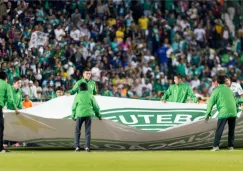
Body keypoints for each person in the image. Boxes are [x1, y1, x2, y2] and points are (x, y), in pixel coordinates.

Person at [205, 75, 239, 151]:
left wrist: (207, 114)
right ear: (224, 81)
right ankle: (231, 146)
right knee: (231, 130)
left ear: (217, 82)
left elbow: (210, 103)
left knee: (219, 129)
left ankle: (216, 146)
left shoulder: (216, 90)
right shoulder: (229, 89)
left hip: (224, 112)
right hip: (233, 112)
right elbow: (236, 100)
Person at [71, 82, 102, 152]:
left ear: (79, 88)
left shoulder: (77, 96)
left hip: (79, 114)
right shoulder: (90, 95)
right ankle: (87, 147)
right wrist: (99, 116)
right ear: (87, 88)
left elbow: (74, 106)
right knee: (88, 131)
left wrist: (73, 115)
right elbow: (96, 107)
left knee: (77, 131)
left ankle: (77, 147)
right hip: (88, 114)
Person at [0, 71, 19, 153]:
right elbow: (10, 99)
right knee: (0, 128)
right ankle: (0, 149)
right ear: (6, 79)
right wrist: (15, 108)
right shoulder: (6, 85)